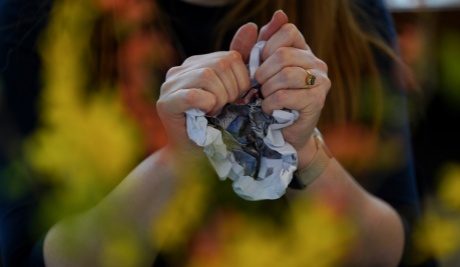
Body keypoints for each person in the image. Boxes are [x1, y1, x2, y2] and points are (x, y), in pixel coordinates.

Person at [0, 0, 437, 266]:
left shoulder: (347, 11)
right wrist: (180, 160)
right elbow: (28, 258)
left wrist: (305, 150)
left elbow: (401, 254)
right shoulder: (44, 16)